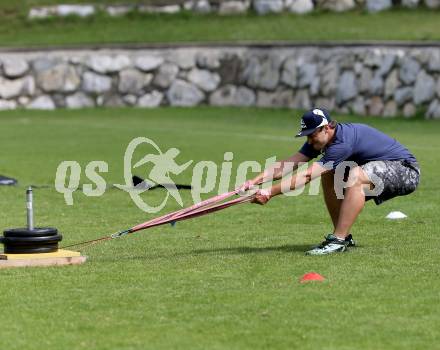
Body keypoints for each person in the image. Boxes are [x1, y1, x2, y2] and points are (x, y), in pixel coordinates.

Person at [242, 108, 420, 255]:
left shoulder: (342, 143)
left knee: (355, 176)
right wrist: (255, 181)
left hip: (405, 170)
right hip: (380, 169)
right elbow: (289, 164)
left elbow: (307, 175)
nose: (309, 141)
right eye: (307, 136)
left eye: (312, 135)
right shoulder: (320, 140)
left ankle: (338, 240)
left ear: (326, 128)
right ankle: (342, 237)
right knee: (329, 174)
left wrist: (270, 192)